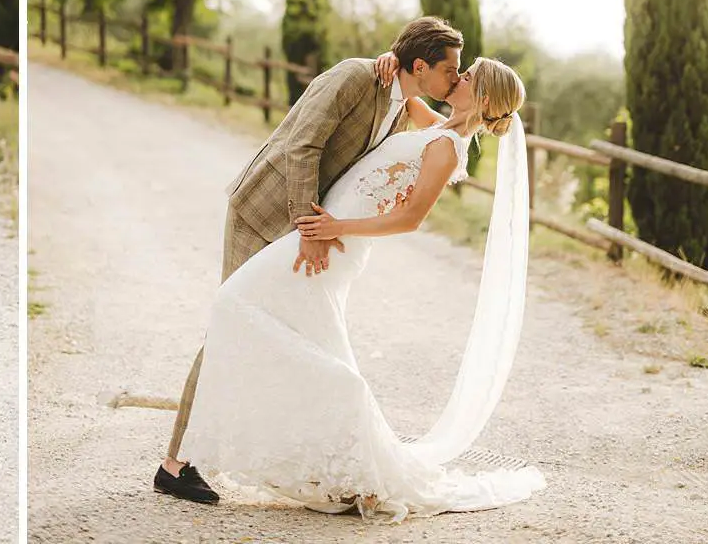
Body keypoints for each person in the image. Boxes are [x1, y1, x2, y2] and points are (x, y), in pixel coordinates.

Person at [176, 57, 545, 521]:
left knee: (237, 301)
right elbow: (406, 91)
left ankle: (337, 433)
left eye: (467, 76)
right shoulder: (439, 124)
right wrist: (386, 58)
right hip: (323, 232)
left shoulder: (450, 147)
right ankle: (323, 457)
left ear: (484, 98)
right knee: (293, 328)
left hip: (336, 242)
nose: (458, 77)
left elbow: (409, 219)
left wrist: (334, 228)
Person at [155, 16, 464, 504]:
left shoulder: (402, 100)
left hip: (308, 228)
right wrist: (308, 229)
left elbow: (454, 127)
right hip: (265, 213)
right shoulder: (355, 77)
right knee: (230, 322)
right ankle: (175, 464)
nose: (456, 78)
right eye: (450, 70)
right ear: (421, 65)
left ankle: (293, 455)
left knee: (289, 336)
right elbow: (303, 146)